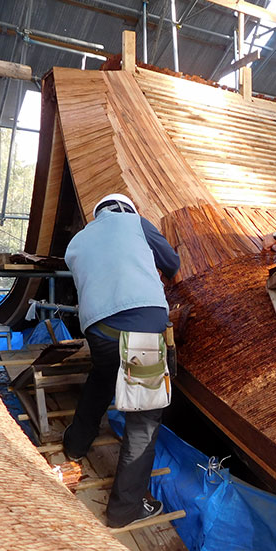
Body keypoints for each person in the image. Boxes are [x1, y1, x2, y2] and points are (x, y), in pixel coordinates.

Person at [63, 193, 181, 528]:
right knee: (143, 421)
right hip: (143, 329)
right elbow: (172, 263)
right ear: (128, 210)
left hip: (99, 332)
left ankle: (74, 445)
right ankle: (124, 509)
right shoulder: (136, 224)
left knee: (101, 377)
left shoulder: (78, 241)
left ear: (98, 214)